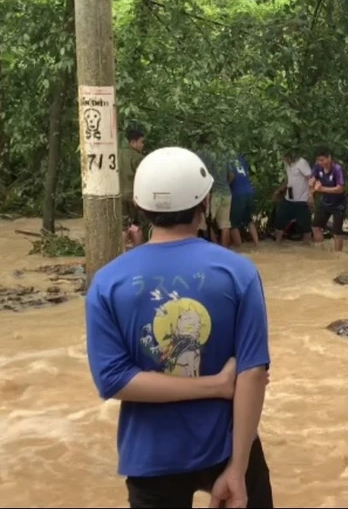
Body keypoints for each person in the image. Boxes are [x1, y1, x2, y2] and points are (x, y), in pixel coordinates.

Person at [85, 146, 273, 509]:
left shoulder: (107, 282)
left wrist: (215, 385)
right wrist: (237, 468)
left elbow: (114, 380)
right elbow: (252, 374)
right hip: (227, 445)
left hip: (151, 456)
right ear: (204, 202)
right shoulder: (238, 273)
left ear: (141, 206)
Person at [310, 147, 346, 251]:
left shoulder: (337, 169)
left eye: (322, 160)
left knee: (337, 232)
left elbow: (340, 189)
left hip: (338, 204)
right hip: (325, 202)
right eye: (318, 160)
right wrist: (311, 186)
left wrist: (322, 189)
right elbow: (312, 179)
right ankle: (322, 250)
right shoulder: (317, 167)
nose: (320, 162)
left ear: (329, 158)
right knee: (315, 226)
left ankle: (338, 255)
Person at [273, 150, 313, 243]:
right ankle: (277, 245)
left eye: (284, 156)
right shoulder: (288, 164)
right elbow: (289, 180)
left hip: (302, 200)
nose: (283, 159)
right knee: (279, 222)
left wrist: (310, 196)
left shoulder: (301, 163)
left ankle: (307, 248)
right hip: (289, 199)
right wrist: (278, 190)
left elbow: (310, 179)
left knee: (306, 227)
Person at [198, 148, 234, 248]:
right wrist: (225, 185)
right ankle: (224, 252)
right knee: (225, 225)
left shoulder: (202, 153)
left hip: (212, 193)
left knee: (204, 223)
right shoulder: (223, 154)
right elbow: (231, 175)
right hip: (226, 193)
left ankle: (215, 248)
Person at [120, 124, 147, 249]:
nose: (142, 145)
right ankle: (139, 253)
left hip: (118, 196)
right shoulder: (138, 158)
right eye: (141, 142)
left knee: (123, 226)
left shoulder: (117, 154)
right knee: (136, 225)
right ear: (133, 142)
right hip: (133, 197)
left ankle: (119, 254)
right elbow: (143, 179)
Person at [230, 154, 260, 248]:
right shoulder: (241, 158)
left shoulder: (227, 160)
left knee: (233, 224)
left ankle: (239, 250)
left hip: (238, 193)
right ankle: (257, 245)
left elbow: (231, 176)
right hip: (249, 191)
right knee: (249, 220)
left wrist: (227, 186)